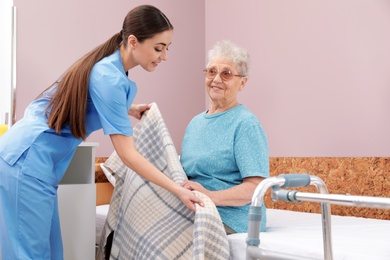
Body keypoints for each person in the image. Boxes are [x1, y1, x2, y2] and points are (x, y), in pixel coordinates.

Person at [0, 5, 203, 260]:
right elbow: (128, 155)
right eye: (158, 48)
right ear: (133, 42)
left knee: (50, 252)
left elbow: (94, 100)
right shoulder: (108, 76)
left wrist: (128, 109)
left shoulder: (111, 69)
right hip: (25, 159)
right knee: (28, 254)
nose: (164, 56)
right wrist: (178, 189)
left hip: (34, 161)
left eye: (167, 48)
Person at [180, 40, 269, 235]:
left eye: (226, 73)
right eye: (211, 72)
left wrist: (210, 196)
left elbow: (256, 188)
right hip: (197, 209)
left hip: (234, 218)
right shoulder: (195, 123)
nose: (216, 79)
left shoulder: (245, 124)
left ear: (242, 82)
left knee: (173, 239)